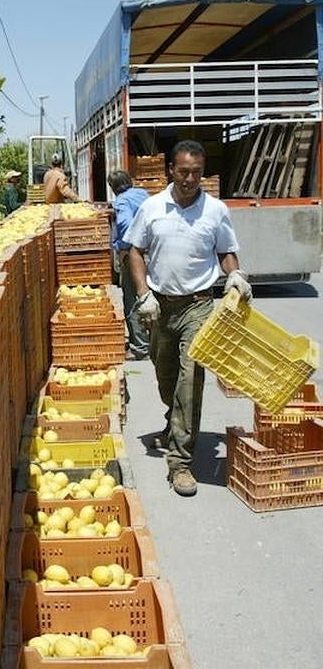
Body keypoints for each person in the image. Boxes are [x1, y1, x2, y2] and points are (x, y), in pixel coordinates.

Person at [124, 139, 252, 497]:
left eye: (196, 172)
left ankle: (180, 463)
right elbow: (135, 250)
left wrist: (235, 275)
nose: (190, 179)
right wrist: (144, 294)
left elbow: (226, 251)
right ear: (171, 171)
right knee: (165, 377)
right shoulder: (152, 208)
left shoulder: (215, 210)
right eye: (184, 172)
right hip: (160, 308)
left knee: (190, 380)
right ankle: (173, 419)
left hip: (198, 306)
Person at [107, 169, 150, 360]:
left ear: (113, 188)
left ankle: (140, 347)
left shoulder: (122, 201)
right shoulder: (142, 194)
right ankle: (154, 341)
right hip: (152, 252)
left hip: (134, 255)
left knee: (133, 299)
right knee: (151, 296)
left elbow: (125, 223)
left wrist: (125, 248)